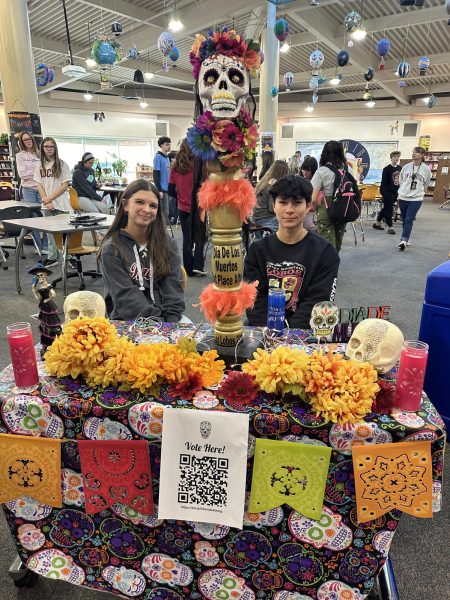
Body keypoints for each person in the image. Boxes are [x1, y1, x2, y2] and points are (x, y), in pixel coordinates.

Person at [244, 175, 340, 329]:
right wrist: (272, 332)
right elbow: (255, 300)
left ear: (308, 206)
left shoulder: (325, 252)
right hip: (264, 330)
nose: (289, 210)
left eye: (297, 203)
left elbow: (317, 301)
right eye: (282, 202)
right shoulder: (257, 250)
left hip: (305, 334)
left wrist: (288, 336)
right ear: (274, 206)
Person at [99, 179, 185, 322]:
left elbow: (173, 289)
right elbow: (126, 298)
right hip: (127, 323)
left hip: (168, 321)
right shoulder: (111, 249)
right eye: (139, 202)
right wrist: (155, 325)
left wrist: (170, 324)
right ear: (125, 205)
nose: (147, 209)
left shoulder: (168, 244)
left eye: (153, 206)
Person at [169, 139, 206, 277]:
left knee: (187, 238)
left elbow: (171, 190)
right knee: (199, 236)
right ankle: (198, 266)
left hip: (183, 208)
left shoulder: (175, 166)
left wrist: (182, 198)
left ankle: (188, 269)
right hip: (199, 207)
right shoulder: (199, 166)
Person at [34, 136, 72, 267]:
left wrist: (49, 198)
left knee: (65, 232)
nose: (49, 149)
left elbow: (65, 185)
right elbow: (39, 184)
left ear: (55, 148)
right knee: (50, 233)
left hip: (61, 203)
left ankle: (70, 256)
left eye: (51, 146)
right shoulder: (39, 165)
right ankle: (52, 257)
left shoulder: (62, 164)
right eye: (46, 147)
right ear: (42, 148)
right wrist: (46, 201)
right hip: (47, 204)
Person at [311, 140, 347, 253]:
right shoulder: (346, 170)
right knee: (337, 242)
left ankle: (328, 268)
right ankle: (333, 265)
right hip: (343, 207)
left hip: (325, 208)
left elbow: (313, 198)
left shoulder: (321, 171)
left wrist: (317, 210)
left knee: (326, 244)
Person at [15, 131, 48, 254]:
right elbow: (22, 174)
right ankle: (38, 247)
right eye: (25, 140)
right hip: (28, 189)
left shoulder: (40, 154)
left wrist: (35, 174)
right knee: (33, 217)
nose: (28, 141)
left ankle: (46, 246)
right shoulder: (20, 156)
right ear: (22, 142)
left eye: (29, 138)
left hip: (41, 189)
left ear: (32, 140)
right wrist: (37, 173)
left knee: (46, 216)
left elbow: (45, 172)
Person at [397, 146, 431, 251]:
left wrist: (419, 192)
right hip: (403, 196)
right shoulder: (406, 167)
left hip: (416, 198)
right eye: (413, 152)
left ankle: (403, 240)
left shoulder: (426, 169)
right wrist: (404, 190)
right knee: (404, 219)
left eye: (416, 152)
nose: (414, 154)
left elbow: (426, 183)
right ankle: (406, 238)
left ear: (422, 155)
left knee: (409, 219)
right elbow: (401, 180)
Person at [28, 263, 62, 355]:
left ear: (45, 275)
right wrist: (33, 289)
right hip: (43, 305)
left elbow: (53, 294)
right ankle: (46, 346)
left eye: (41, 275)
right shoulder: (39, 287)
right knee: (45, 326)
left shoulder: (48, 285)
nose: (40, 277)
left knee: (53, 324)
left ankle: (59, 342)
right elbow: (38, 298)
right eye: (38, 276)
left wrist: (48, 299)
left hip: (49, 305)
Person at [252, 160, 289, 232]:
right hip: (267, 219)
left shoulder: (264, 181)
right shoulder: (274, 185)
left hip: (256, 217)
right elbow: (272, 208)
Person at [373, 150, 401, 234]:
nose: (396, 158)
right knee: (389, 209)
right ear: (391, 158)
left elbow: (400, 180)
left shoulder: (400, 168)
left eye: (398, 156)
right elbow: (383, 182)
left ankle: (377, 223)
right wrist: (384, 193)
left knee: (386, 208)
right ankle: (390, 226)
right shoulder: (386, 169)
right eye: (395, 156)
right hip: (387, 191)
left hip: (395, 191)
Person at [153, 136, 171, 221]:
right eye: (167, 144)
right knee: (164, 212)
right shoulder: (158, 157)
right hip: (162, 189)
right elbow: (156, 174)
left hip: (167, 188)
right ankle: (161, 233)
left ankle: (163, 232)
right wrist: (159, 190)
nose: (169, 146)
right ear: (161, 145)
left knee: (166, 213)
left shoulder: (167, 158)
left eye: (169, 144)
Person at [301, 156, 319, 233]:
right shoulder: (299, 180)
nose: (304, 172)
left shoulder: (317, 183)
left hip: (311, 213)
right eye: (303, 169)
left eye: (307, 170)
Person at [167, 150, 179, 225]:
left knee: (174, 204)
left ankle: (174, 218)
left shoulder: (174, 168)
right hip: (172, 188)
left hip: (174, 188)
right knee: (172, 204)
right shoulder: (171, 168)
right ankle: (173, 218)